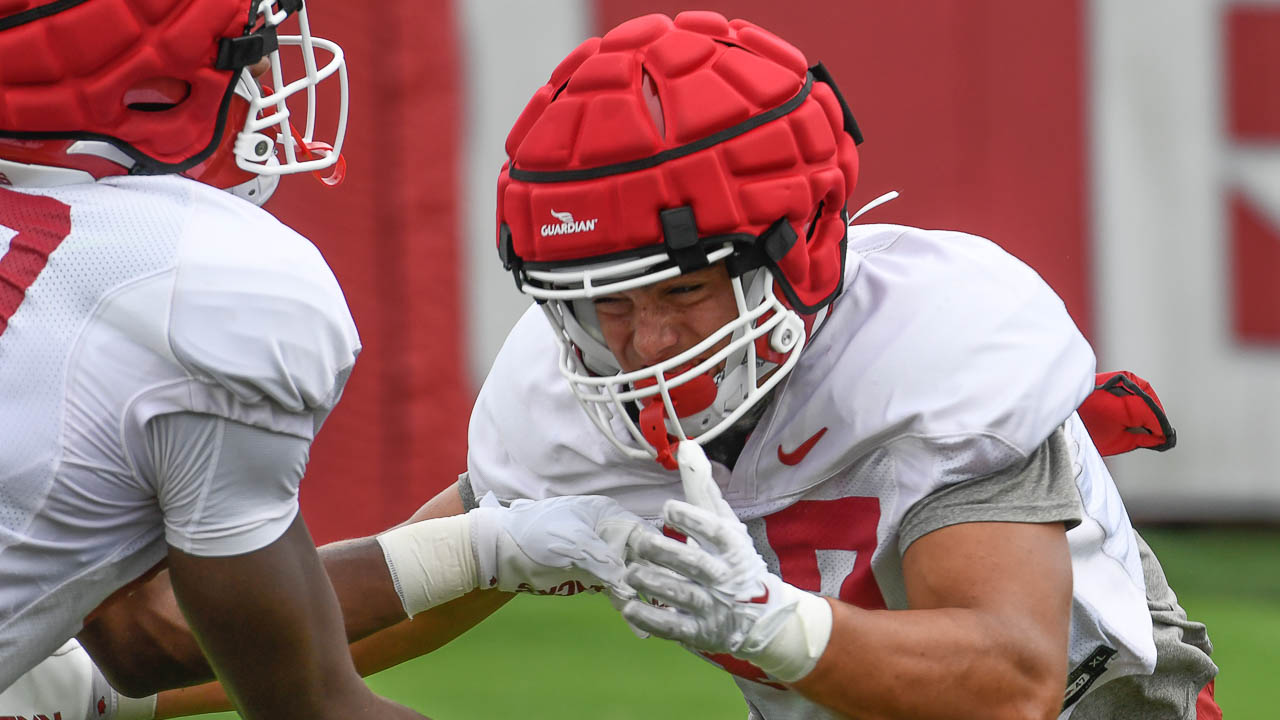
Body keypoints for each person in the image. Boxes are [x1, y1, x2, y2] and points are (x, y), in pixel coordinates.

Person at [7, 9, 1219, 720]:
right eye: (597, 306)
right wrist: (108, 693)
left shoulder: (935, 340)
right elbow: (361, 619)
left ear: (800, 247)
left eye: (680, 293)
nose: (638, 349)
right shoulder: (564, 385)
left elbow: (1009, 682)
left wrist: (773, 625)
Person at [0, 1, 648, 718]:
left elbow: (134, 634)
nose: (269, 82)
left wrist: (487, 546)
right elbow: (299, 700)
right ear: (144, 89)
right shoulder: (190, 278)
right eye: (248, 54)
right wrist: (493, 547)